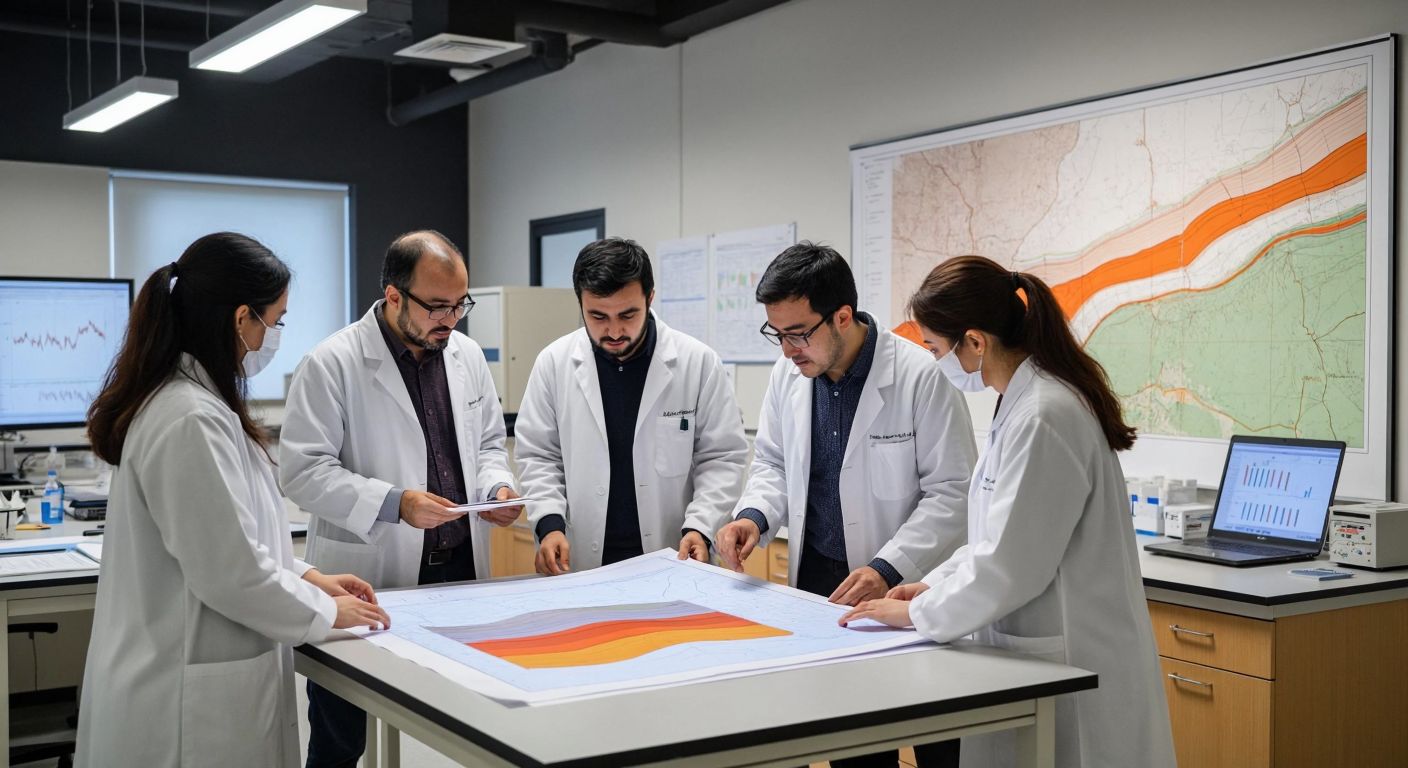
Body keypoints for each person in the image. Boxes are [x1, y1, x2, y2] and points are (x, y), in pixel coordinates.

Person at [839, 255, 1176, 768]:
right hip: (1036, 654)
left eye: (935, 348)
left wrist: (916, 612)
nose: (935, 362)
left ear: (975, 342)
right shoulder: (1020, 404)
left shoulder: (1044, 414)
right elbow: (997, 538)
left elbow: (1009, 566)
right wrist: (934, 585)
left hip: (1074, 662)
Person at [76, 233, 390, 768]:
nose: (278, 335)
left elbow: (229, 540)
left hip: (195, 680)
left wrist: (306, 575)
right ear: (243, 318)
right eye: (278, 319)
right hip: (179, 706)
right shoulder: (190, 418)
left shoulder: (198, 405)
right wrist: (325, 610)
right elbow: (230, 572)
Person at [715, 242, 975, 768]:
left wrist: (886, 567)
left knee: (937, 736)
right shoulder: (789, 376)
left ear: (842, 316)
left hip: (907, 588)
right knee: (852, 744)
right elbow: (771, 462)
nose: (787, 350)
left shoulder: (920, 376)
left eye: (798, 333)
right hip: (823, 589)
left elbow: (952, 494)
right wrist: (753, 517)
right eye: (778, 334)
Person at [279, 230, 520, 768]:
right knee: (342, 734)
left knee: (459, 728)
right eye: (437, 306)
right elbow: (301, 472)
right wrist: (395, 502)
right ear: (393, 297)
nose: (450, 319)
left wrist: (494, 488)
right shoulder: (332, 363)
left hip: (459, 573)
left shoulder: (466, 355)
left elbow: (486, 445)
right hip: (371, 578)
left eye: (460, 305)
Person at [516, 237, 748, 572]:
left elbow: (722, 458)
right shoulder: (554, 363)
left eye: (627, 314)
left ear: (650, 298)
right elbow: (539, 455)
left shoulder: (697, 363)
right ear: (580, 302)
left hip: (674, 554)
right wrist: (549, 524)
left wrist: (701, 526)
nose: (613, 330)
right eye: (597, 316)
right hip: (581, 560)